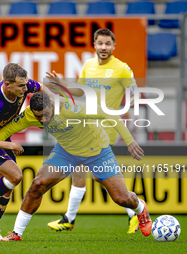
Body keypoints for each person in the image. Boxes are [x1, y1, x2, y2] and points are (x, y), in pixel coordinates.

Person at [0, 92, 151, 241]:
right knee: (37, 185)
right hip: (66, 152)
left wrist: (130, 141)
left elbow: (111, 116)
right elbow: (5, 131)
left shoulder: (74, 108)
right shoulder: (30, 115)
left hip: (97, 151)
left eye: (46, 114)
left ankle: (140, 207)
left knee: (121, 198)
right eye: (38, 116)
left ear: (53, 105)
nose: (43, 120)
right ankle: (16, 233)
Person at [46, 28, 140, 234]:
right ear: (95, 45)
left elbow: (134, 90)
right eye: (100, 43)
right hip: (86, 124)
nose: (104, 47)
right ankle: (70, 219)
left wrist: (133, 100)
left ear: (114, 46)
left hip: (106, 126)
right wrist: (63, 84)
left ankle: (134, 212)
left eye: (108, 44)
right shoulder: (88, 64)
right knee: (84, 171)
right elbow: (80, 92)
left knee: (92, 172)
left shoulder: (122, 68)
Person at [0, 63, 53, 241]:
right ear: (7, 84)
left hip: (1, 135)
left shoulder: (23, 85)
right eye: (21, 86)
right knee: (15, 176)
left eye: (25, 84)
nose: (25, 88)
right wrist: (11, 146)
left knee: (7, 186)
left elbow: (43, 87)